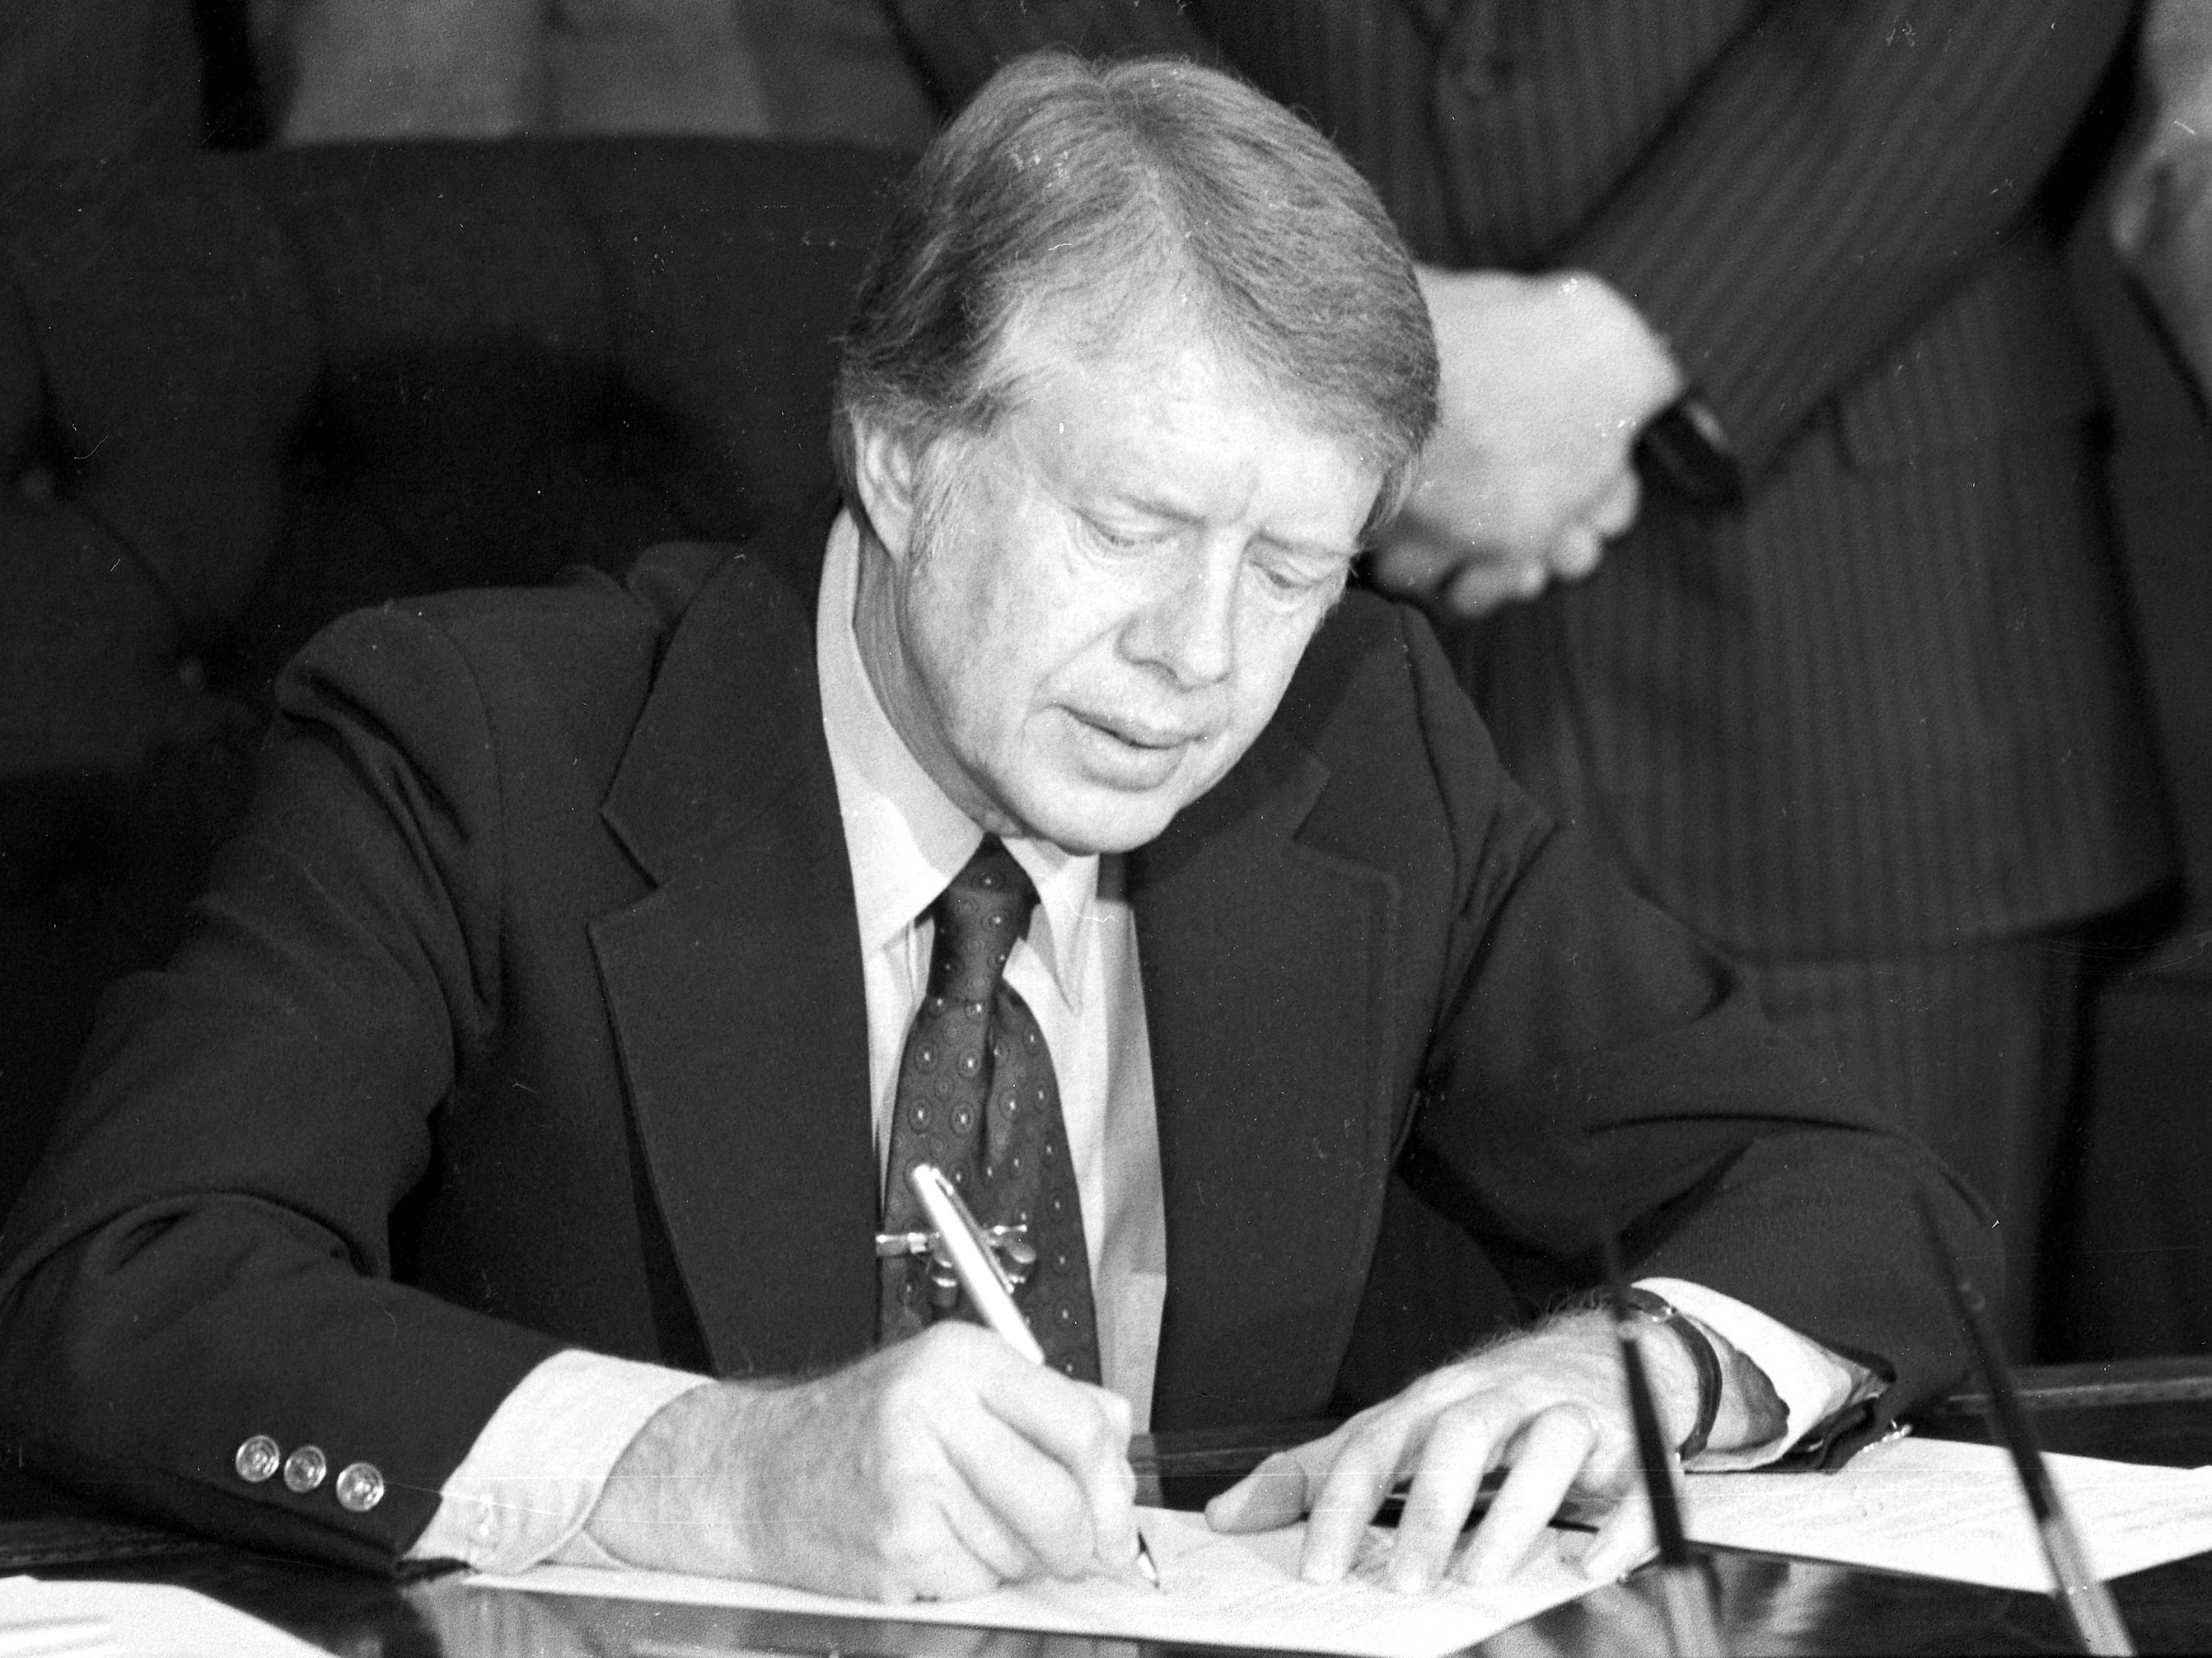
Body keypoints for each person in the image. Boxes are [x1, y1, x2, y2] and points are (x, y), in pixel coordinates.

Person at [0, 52, 1985, 1603]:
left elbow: (1852, 1189)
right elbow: (127, 1281)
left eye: (1289, 564)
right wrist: (701, 1465)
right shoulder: (478, 741)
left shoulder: (1359, 734)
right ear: (899, 459)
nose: (1199, 658)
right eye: (1127, 528)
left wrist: (1617, 1374)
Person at [885, 0, 2177, 1357]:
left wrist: (1625, 338)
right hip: (1274, 490)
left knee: (1846, 1366)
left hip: (1850, 621)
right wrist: (1256, 280)